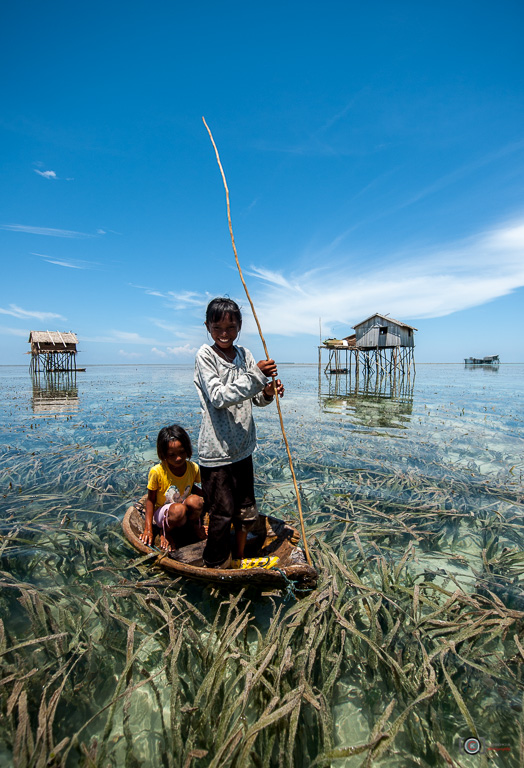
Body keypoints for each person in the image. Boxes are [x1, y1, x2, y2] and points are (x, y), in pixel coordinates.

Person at [194, 297, 284, 569]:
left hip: (243, 448)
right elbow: (219, 397)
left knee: (245, 511)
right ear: (208, 326)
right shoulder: (205, 356)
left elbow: (255, 399)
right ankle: (216, 562)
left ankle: (241, 558)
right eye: (218, 327)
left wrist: (267, 391)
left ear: (239, 327)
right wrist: (257, 376)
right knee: (221, 515)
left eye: (231, 327)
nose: (224, 333)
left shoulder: (245, 356)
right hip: (217, 452)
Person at [140, 424, 205, 551]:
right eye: (172, 455)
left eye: (182, 452)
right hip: (164, 514)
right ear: (163, 454)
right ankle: (166, 532)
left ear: (187, 449)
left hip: (181, 507)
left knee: (196, 501)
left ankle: (194, 526)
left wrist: (211, 496)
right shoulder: (157, 472)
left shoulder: (193, 468)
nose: (178, 458)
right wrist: (148, 529)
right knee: (178, 510)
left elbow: (192, 487)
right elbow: (150, 500)